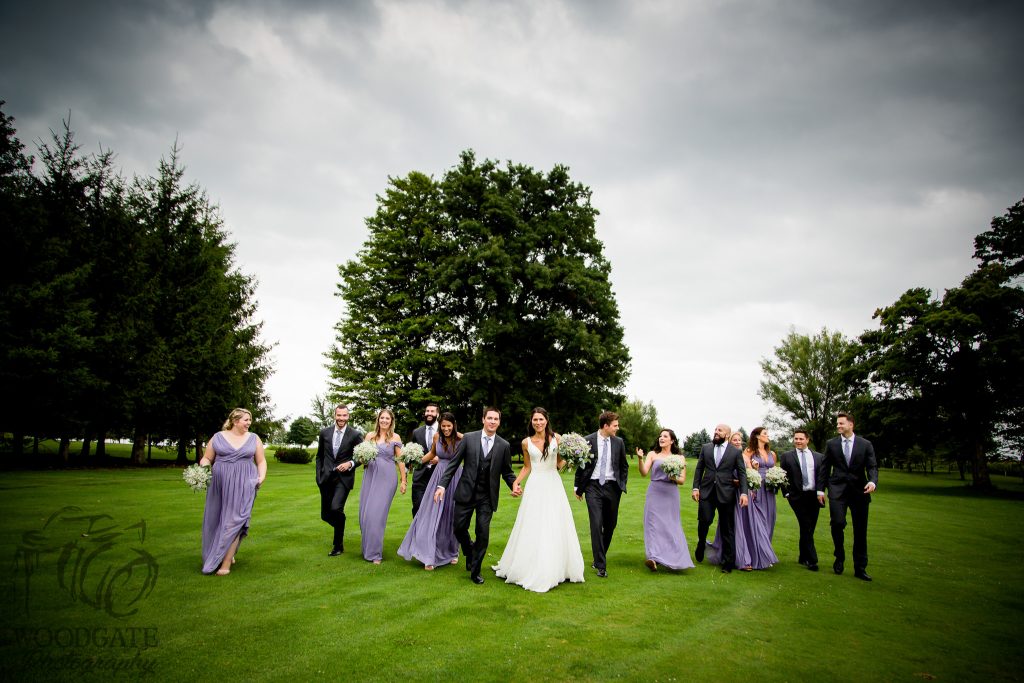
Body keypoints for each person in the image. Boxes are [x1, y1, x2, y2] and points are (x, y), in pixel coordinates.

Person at [494, 407, 585, 592]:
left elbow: (559, 463)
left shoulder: (557, 439)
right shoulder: (526, 443)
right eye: (535, 420)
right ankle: (530, 565)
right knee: (534, 523)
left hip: (553, 483)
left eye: (541, 419)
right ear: (531, 421)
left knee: (555, 522)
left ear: (546, 420)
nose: (538, 423)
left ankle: (558, 566)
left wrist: (573, 458)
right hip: (535, 485)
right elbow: (527, 467)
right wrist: (516, 483)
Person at [434, 407, 520, 585]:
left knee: (483, 533)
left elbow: (507, 472)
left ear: (499, 422)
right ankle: (469, 551)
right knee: (458, 528)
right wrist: (442, 485)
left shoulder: (503, 445)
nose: (492, 422)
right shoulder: (469, 439)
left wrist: (514, 484)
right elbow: (453, 464)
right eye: (489, 418)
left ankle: (475, 570)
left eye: (496, 419)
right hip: (466, 492)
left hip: (487, 497)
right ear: (483, 420)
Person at [200, 408, 267, 575]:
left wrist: (261, 477)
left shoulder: (254, 438)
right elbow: (207, 458)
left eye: (249, 420)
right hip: (219, 484)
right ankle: (222, 552)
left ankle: (226, 563)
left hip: (245, 484)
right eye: (246, 420)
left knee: (235, 520)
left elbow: (261, 461)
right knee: (216, 519)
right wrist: (203, 469)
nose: (249, 423)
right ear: (235, 421)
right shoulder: (218, 437)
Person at [398, 412, 463, 570]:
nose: (446, 429)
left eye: (449, 426)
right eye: (443, 426)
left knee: (450, 514)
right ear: (440, 425)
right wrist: (415, 460)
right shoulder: (436, 437)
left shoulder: (462, 439)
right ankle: (429, 555)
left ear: (454, 425)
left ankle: (452, 552)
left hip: (455, 477)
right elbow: (433, 453)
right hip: (438, 477)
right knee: (431, 514)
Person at [820, 412, 878, 581]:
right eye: (837, 424)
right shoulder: (831, 444)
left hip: (860, 491)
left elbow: (872, 466)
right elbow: (825, 468)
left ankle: (860, 567)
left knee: (861, 530)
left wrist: (873, 481)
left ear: (851, 424)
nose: (838, 426)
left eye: (841, 423)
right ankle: (839, 555)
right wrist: (820, 490)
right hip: (837, 490)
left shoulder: (865, 444)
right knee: (837, 523)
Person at [574, 411, 628, 578]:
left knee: (610, 525)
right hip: (593, 486)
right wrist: (578, 486)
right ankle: (601, 565)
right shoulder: (587, 440)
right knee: (596, 524)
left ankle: (599, 557)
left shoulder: (619, 442)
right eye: (615, 426)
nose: (617, 428)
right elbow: (581, 463)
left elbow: (624, 465)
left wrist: (622, 484)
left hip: (612, 487)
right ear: (606, 426)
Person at [691, 424, 749, 573]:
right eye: (715, 430)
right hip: (707, 491)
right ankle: (701, 543)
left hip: (726, 493)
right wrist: (696, 488)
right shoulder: (706, 448)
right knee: (704, 520)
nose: (716, 432)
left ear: (727, 435)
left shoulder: (734, 452)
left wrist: (743, 493)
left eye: (720, 431)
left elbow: (742, 473)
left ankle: (727, 563)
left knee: (727, 528)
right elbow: (699, 468)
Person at [637, 428, 694, 572]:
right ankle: (653, 557)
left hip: (670, 493)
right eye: (660, 436)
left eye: (665, 436)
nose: (661, 438)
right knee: (652, 524)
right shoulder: (652, 454)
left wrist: (672, 476)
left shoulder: (679, 458)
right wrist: (639, 459)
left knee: (670, 525)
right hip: (655, 491)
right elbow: (644, 472)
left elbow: (682, 480)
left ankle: (673, 557)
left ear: (672, 440)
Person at [358, 408, 407, 564]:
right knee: (365, 515)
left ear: (391, 421)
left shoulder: (395, 437)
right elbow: (361, 459)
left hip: (387, 479)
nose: (384, 421)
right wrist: (362, 459)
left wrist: (403, 480)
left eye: (387, 418)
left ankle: (375, 554)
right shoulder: (369, 436)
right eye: (382, 418)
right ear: (378, 420)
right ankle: (367, 549)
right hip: (370, 476)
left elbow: (401, 460)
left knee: (376, 515)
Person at [315, 404, 364, 556]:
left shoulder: (355, 435)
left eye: (344, 415)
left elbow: (362, 456)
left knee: (336, 509)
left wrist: (351, 463)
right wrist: (319, 476)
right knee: (326, 515)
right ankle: (340, 524)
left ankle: (338, 545)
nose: (341, 418)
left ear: (348, 416)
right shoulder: (324, 433)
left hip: (343, 480)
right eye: (339, 415)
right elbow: (319, 456)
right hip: (326, 478)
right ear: (334, 415)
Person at [779, 428, 825, 571]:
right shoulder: (787, 456)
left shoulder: (818, 457)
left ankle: (802, 555)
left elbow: (822, 477)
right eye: (796, 439)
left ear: (807, 440)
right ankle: (812, 560)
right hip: (797, 497)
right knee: (806, 525)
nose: (798, 441)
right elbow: (783, 476)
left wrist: (821, 491)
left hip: (814, 496)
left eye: (801, 439)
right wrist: (786, 493)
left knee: (810, 527)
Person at [740, 427, 779, 570]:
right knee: (758, 521)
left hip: (769, 489)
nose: (767, 436)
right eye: (765, 434)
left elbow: (774, 469)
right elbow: (746, 470)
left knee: (769, 519)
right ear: (757, 436)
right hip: (756, 488)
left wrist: (777, 479)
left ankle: (765, 553)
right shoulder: (749, 452)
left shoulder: (772, 454)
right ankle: (756, 554)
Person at [409, 403, 440, 517]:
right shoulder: (417, 432)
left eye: (432, 411)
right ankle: (417, 533)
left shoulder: (445, 429)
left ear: (437, 414)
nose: (429, 413)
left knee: (436, 509)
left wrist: (440, 458)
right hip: (420, 476)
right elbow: (411, 451)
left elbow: (454, 450)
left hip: (439, 475)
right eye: (427, 411)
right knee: (417, 507)